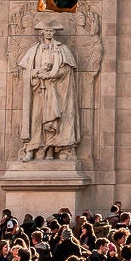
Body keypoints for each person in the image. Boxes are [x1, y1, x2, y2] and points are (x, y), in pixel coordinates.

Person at [18, 20, 81, 161]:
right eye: (46, 31)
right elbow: (26, 71)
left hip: (55, 90)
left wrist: (51, 74)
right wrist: (38, 72)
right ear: (42, 32)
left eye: (51, 31)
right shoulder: (34, 50)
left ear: (54, 33)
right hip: (38, 91)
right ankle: (33, 150)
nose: (48, 33)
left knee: (55, 121)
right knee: (36, 119)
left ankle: (52, 150)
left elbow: (66, 70)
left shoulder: (62, 49)